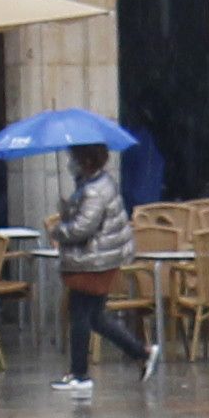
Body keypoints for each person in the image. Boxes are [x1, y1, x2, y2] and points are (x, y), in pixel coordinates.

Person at [45, 140, 149, 393]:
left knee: (80, 314)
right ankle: (141, 351)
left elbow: (84, 227)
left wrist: (59, 230)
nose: (71, 163)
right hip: (98, 259)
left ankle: (79, 373)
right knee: (96, 317)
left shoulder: (94, 190)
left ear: (86, 161)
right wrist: (68, 208)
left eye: (75, 158)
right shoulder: (96, 184)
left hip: (93, 261)